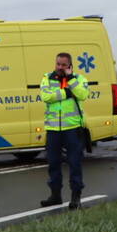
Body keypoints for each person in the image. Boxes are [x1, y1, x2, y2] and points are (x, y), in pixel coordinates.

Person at [39, 52, 90, 210]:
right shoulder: (47, 78)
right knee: (53, 164)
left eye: (63, 65)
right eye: (58, 64)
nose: (60, 67)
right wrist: (66, 92)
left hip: (72, 128)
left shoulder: (79, 79)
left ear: (70, 65)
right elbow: (45, 97)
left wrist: (71, 80)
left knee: (74, 164)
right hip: (53, 128)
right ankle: (55, 196)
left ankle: (76, 198)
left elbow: (83, 95)